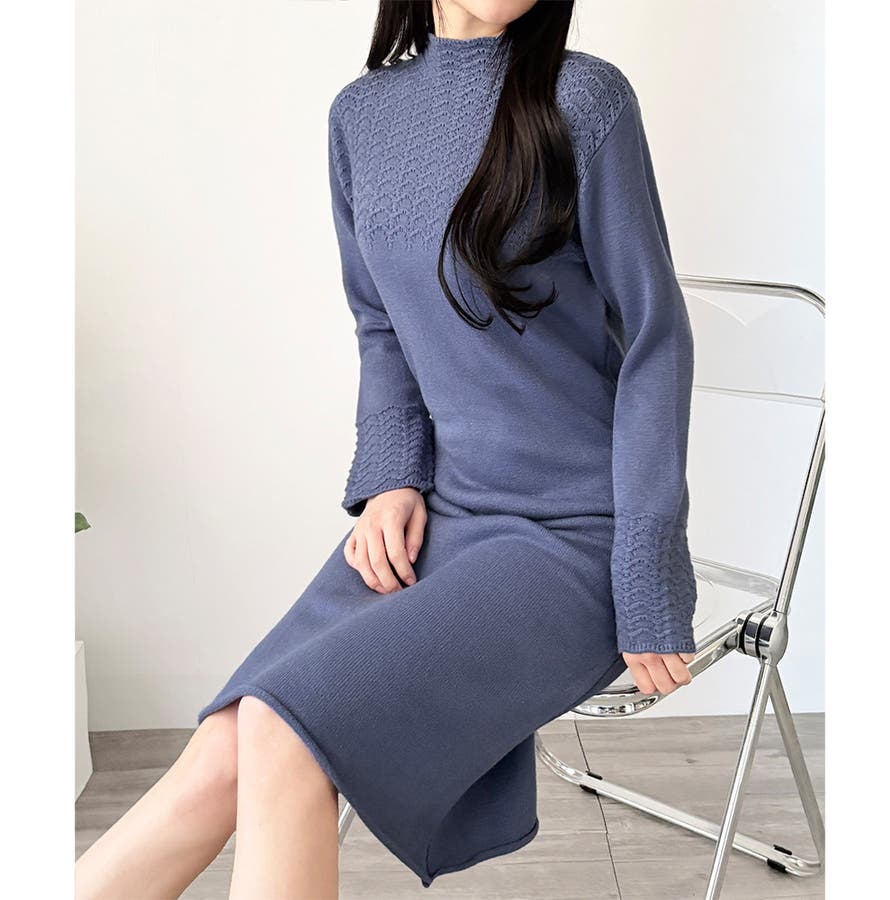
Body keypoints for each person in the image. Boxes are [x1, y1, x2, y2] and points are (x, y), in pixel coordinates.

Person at [75, 1, 699, 897]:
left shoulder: (584, 101)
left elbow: (655, 341)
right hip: (442, 519)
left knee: (285, 733)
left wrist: (645, 572)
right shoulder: (362, 117)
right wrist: (391, 479)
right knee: (227, 744)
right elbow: (382, 325)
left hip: (576, 538)